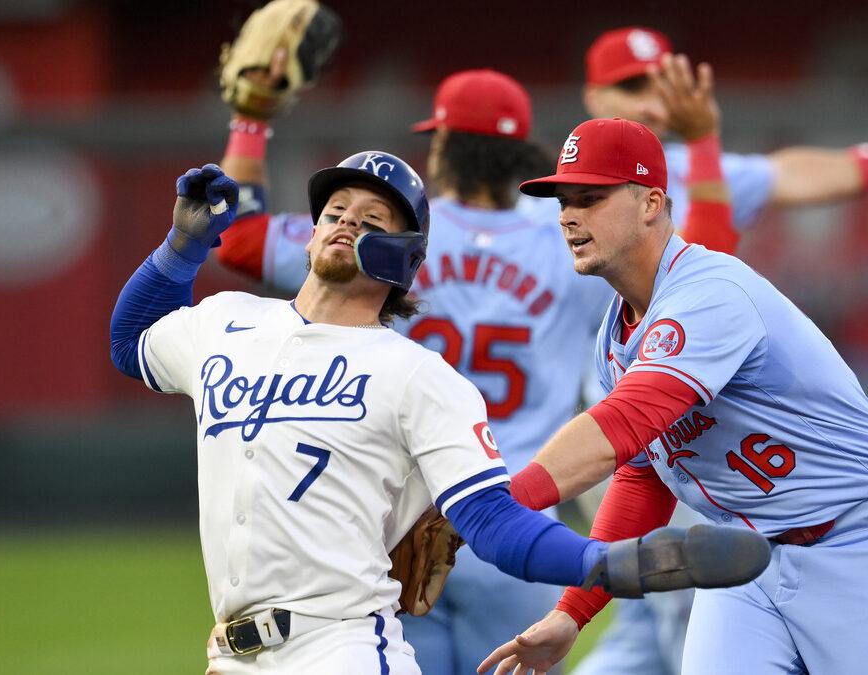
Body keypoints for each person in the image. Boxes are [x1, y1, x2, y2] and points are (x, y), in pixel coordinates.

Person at [108, 154, 766, 673]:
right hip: (232, 653)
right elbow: (131, 343)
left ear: (404, 259)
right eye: (336, 210)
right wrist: (182, 246)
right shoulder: (227, 323)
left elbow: (492, 521)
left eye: (372, 221)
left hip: (339, 650)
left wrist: (619, 564)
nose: (345, 221)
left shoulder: (417, 376)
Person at [214, 55, 738, 674]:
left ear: (441, 149)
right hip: (516, 521)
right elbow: (702, 258)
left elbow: (236, 240)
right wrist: (702, 143)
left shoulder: (391, 237)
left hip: (397, 522)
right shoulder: (567, 237)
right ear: (521, 155)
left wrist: (250, 120)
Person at [478, 118, 868, 675]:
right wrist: (573, 613)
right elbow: (641, 475)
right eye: (562, 201)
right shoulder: (618, 334)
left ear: (651, 202)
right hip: (746, 560)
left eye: (590, 197)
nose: (569, 216)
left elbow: (622, 424)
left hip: (864, 545)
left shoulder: (709, 294)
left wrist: (491, 508)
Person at [582, 25, 868, 231]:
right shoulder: (552, 192)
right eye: (630, 88)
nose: (650, 103)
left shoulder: (684, 169)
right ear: (593, 99)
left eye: (662, 85)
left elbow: (789, 175)